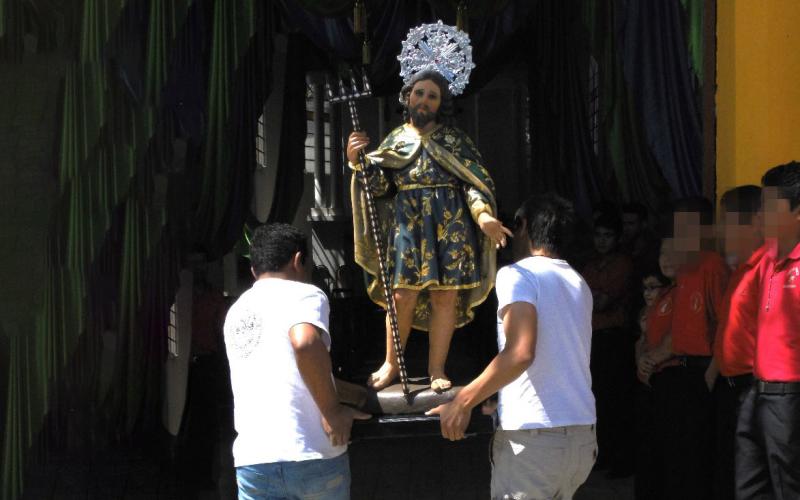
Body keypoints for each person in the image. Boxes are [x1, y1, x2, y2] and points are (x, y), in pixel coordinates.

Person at [347, 68, 510, 392]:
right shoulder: (395, 140)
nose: (424, 100)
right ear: (407, 97)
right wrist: (359, 162)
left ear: (441, 104)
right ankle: (392, 364)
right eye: (419, 93)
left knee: (444, 298)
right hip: (408, 227)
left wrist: (483, 216)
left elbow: (472, 184)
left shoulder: (455, 141)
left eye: (432, 96)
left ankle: (437, 367)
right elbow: (379, 188)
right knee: (401, 295)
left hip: (450, 228)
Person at [427, 194, 596, 500]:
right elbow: (551, 358)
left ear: (523, 226)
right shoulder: (578, 282)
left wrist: (463, 400)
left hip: (535, 444)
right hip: (581, 438)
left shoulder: (518, 275)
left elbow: (520, 352)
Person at [223, 223, 369, 500]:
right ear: (299, 260)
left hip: (254, 461)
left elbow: (287, 370)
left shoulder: (237, 311)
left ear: (254, 269)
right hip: (312, 454)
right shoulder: (304, 294)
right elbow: (304, 343)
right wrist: (332, 411)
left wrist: (353, 393)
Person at [736, 161, 800, 500]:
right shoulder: (768, 260)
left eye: (772, 206)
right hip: (757, 391)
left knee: (789, 486)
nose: (762, 214)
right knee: (751, 486)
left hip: (791, 396)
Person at [709, 185, 765, 500]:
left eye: (726, 221)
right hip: (728, 389)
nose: (720, 230)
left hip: (754, 389)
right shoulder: (740, 270)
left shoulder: (767, 270)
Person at [581, 210, 634, 476]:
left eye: (607, 236)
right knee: (596, 400)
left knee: (616, 402)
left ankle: (619, 459)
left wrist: (593, 296)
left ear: (617, 238)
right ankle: (601, 456)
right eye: (598, 235)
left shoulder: (623, 264)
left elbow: (600, 301)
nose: (602, 241)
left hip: (615, 340)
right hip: (593, 340)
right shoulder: (590, 266)